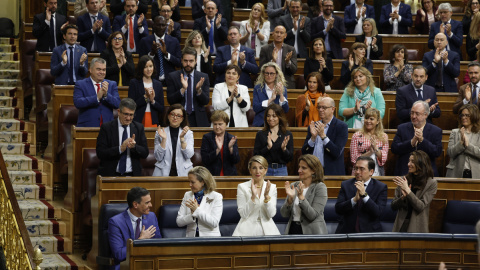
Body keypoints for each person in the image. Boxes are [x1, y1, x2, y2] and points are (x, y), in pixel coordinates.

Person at [108, 187, 161, 270]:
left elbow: (159, 245)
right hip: (126, 266)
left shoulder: (151, 217)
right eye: (147, 203)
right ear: (135, 204)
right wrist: (140, 240)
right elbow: (118, 254)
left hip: (148, 264)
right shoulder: (115, 222)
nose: (151, 205)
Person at [96, 98, 149, 176]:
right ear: (118, 112)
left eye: (131, 115)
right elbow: (100, 153)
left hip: (132, 175)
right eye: (126, 114)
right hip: (111, 175)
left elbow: (145, 153)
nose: (128, 118)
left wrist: (134, 147)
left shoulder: (138, 128)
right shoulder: (106, 127)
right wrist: (120, 149)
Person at [335, 156, 388, 233]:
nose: (357, 172)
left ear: (371, 172)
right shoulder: (346, 185)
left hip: (370, 233)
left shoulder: (380, 187)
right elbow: (338, 209)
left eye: (362, 169)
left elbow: (378, 212)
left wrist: (364, 195)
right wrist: (354, 200)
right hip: (347, 232)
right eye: (356, 168)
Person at [232, 155, 281, 236]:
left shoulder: (272, 187)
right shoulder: (242, 187)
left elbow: (271, 214)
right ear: (250, 170)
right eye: (254, 168)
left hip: (268, 231)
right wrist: (252, 198)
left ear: (265, 170)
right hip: (246, 231)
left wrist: (266, 198)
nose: (257, 171)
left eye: (261, 168)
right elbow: (243, 214)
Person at [391, 101, 443, 176]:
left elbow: (437, 152)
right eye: (412, 113)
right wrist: (411, 142)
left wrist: (422, 140)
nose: (413, 116)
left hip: (426, 173)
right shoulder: (402, 128)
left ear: (426, 115)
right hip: (405, 172)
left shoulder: (436, 131)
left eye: (417, 114)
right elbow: (394, 148)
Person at [392, 150, 438, 233]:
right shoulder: (404, 180)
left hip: (417, 227)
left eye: (412, 161)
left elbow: (420, 206)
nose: (408, 164)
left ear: (421, 163)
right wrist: (403, 198)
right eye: (409, 161)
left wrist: (408, 191)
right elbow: (393, 206)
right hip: (401, 225)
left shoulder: (431, 183)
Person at [281, 154, 328, 235]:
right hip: (293, 230)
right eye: (299, 167)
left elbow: (312, 215)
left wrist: (302, 199)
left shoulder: (320, 187)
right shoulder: (294, 185)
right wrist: (290, 200)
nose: (299, 170)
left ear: (313, 170)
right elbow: (284, 214)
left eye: (303, 168)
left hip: (312, 233)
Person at [301, 97, 348, 176]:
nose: (320, 110)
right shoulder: (313, 126)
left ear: (333, 109)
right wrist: (313, 138)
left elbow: (336, 152)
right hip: (313, 173)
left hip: (332, 173)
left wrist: (323, 136)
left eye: (324, 108)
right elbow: (304, 152)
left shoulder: (341, 126)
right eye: (319, 107)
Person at [166, 48, 210, 127]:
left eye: (191, 61)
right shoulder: (173, 76)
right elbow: (170, 100)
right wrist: (183, 89)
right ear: (181, 60)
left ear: (196, 61)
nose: (188, 64)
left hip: (198, 117)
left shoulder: (203, 77)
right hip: (179, 116)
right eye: (185, 61)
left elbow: (206, 101)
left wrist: (199, 90)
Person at [176, 166, 223, 237]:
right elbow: (179, 222)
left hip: (210, 239)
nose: (190, 185)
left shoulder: (216, 196)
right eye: (189, 181)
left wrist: (196, 211)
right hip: (191, 239)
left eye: (193, 182)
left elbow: (214, 222)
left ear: (203, 182)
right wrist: (192, 216)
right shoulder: (187, 195)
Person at [73, 58, 121, 127]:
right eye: (98, 69)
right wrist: (97, 97)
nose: (102, 72)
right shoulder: (80, 84)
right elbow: (78, 103)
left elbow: (117, 104)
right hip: (87, 126)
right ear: (91, 70)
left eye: (104, 70)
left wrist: (106, 95)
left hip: (108, 127)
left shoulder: (111, 84)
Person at [138, 16, 182, 85]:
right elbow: (141, 64)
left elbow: (179, 63)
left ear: (166, 26)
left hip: (169, 80)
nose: (161, 27)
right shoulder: (145, 41)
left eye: (163, 25)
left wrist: (166, 54)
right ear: (153, 26)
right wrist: (152, 53)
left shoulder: (174, 41)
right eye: (158, 25)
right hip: (151, 79)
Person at [153, 104, 194, 176]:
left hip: (184, 173)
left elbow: (188, 155)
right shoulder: (160, 133)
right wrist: (164, 139)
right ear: (168, 116)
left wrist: (182, 139)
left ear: (182, 118)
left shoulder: (188, 133)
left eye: (178, 116)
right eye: (172, 114)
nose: (175, 118)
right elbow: (158, 157)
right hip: (162, 173)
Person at [253, 104, 294, 176]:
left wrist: (284, 149)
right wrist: (267, 148)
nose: (270, 118)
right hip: (265, 170)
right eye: (268, 116)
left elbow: (290, 158)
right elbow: (256, 156)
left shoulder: (287, 134)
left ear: (279, 117)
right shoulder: (260, 134)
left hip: (282, 170)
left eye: (274, 116)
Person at [349, 108, 389, 176]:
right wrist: (370, 152)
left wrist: (375, 148)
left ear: (378, 121)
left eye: (371, 119)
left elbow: (383, 159)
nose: (368, 121)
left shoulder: (383, 137)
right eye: (366, 118)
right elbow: (354, 159)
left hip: (377, 173)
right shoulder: (356, 136)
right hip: (359, 173)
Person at [128, 55, 164, 127]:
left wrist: (152, 101)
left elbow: (161, 108)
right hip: (138, 119)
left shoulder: (158, 84)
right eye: (145, 67)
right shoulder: (134, 83)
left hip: (152, 119)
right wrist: (145, 97)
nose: (148, 69)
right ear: (141, 68)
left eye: (150, 66)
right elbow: (131, 105)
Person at [200, 110, 240, 176]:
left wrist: (231, 148)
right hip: (211, 175)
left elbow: (236, 160)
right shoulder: (207, 138)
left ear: (226, 124)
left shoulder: (231, 138)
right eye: (215, 124)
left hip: (229, 175)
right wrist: (217, 150)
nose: (217, 127)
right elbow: (205, 160)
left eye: (220, 124)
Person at [446, 104, 480, 178]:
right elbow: (450, 153)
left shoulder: (479, 134)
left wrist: (468, 146)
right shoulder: (455, 132)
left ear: (474, 116)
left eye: (467, 115)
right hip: (455, 173)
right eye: (462, 115)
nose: (464, 117)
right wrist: (461, 143)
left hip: (475, 174)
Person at [252, 62, 289, 127]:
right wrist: (271, 99)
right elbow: (255, 108)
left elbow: (285, 109)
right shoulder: (258, 88)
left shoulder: (282, 88)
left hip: (278, 124)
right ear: (263, 74)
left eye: (272, 73)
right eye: (267, 73)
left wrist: (281, 94)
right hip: (260, 123)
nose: (269, 76)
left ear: (276, 74)